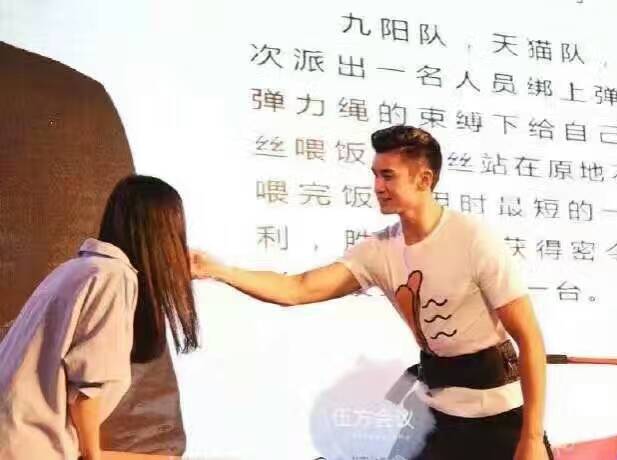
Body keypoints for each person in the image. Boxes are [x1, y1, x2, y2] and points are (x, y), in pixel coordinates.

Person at [191, 125, 553, 459]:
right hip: (441, 419)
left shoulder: (473, 239)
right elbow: (296, 289)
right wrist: (219, 271)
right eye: (375, 175)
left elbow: (529, 339)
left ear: (424, 179)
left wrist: (533, 439)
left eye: (388, 176)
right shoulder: (378, 251)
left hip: (503, 417)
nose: (377, 186)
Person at [0, 175, 200, 460]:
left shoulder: (78, 269)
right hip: (29, 447)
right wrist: (93, 454)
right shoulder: (114, 277)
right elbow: (86, 389)